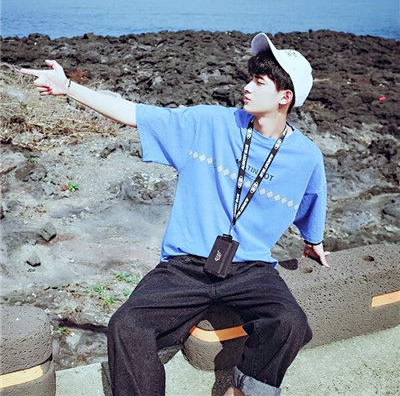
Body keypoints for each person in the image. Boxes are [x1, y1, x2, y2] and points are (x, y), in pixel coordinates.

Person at [21, 32, 329, 396]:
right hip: (185, 265)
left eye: (259, 82)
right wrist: (68, 87)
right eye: (250, 78)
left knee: (289, 321)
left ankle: (244, 391)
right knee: (127, 326)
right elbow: (134, 113)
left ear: (284, 97)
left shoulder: (306, 156)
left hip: (251, 269)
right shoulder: (208, 123)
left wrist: (313, 241)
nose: (247, 87)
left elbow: (312, 199)